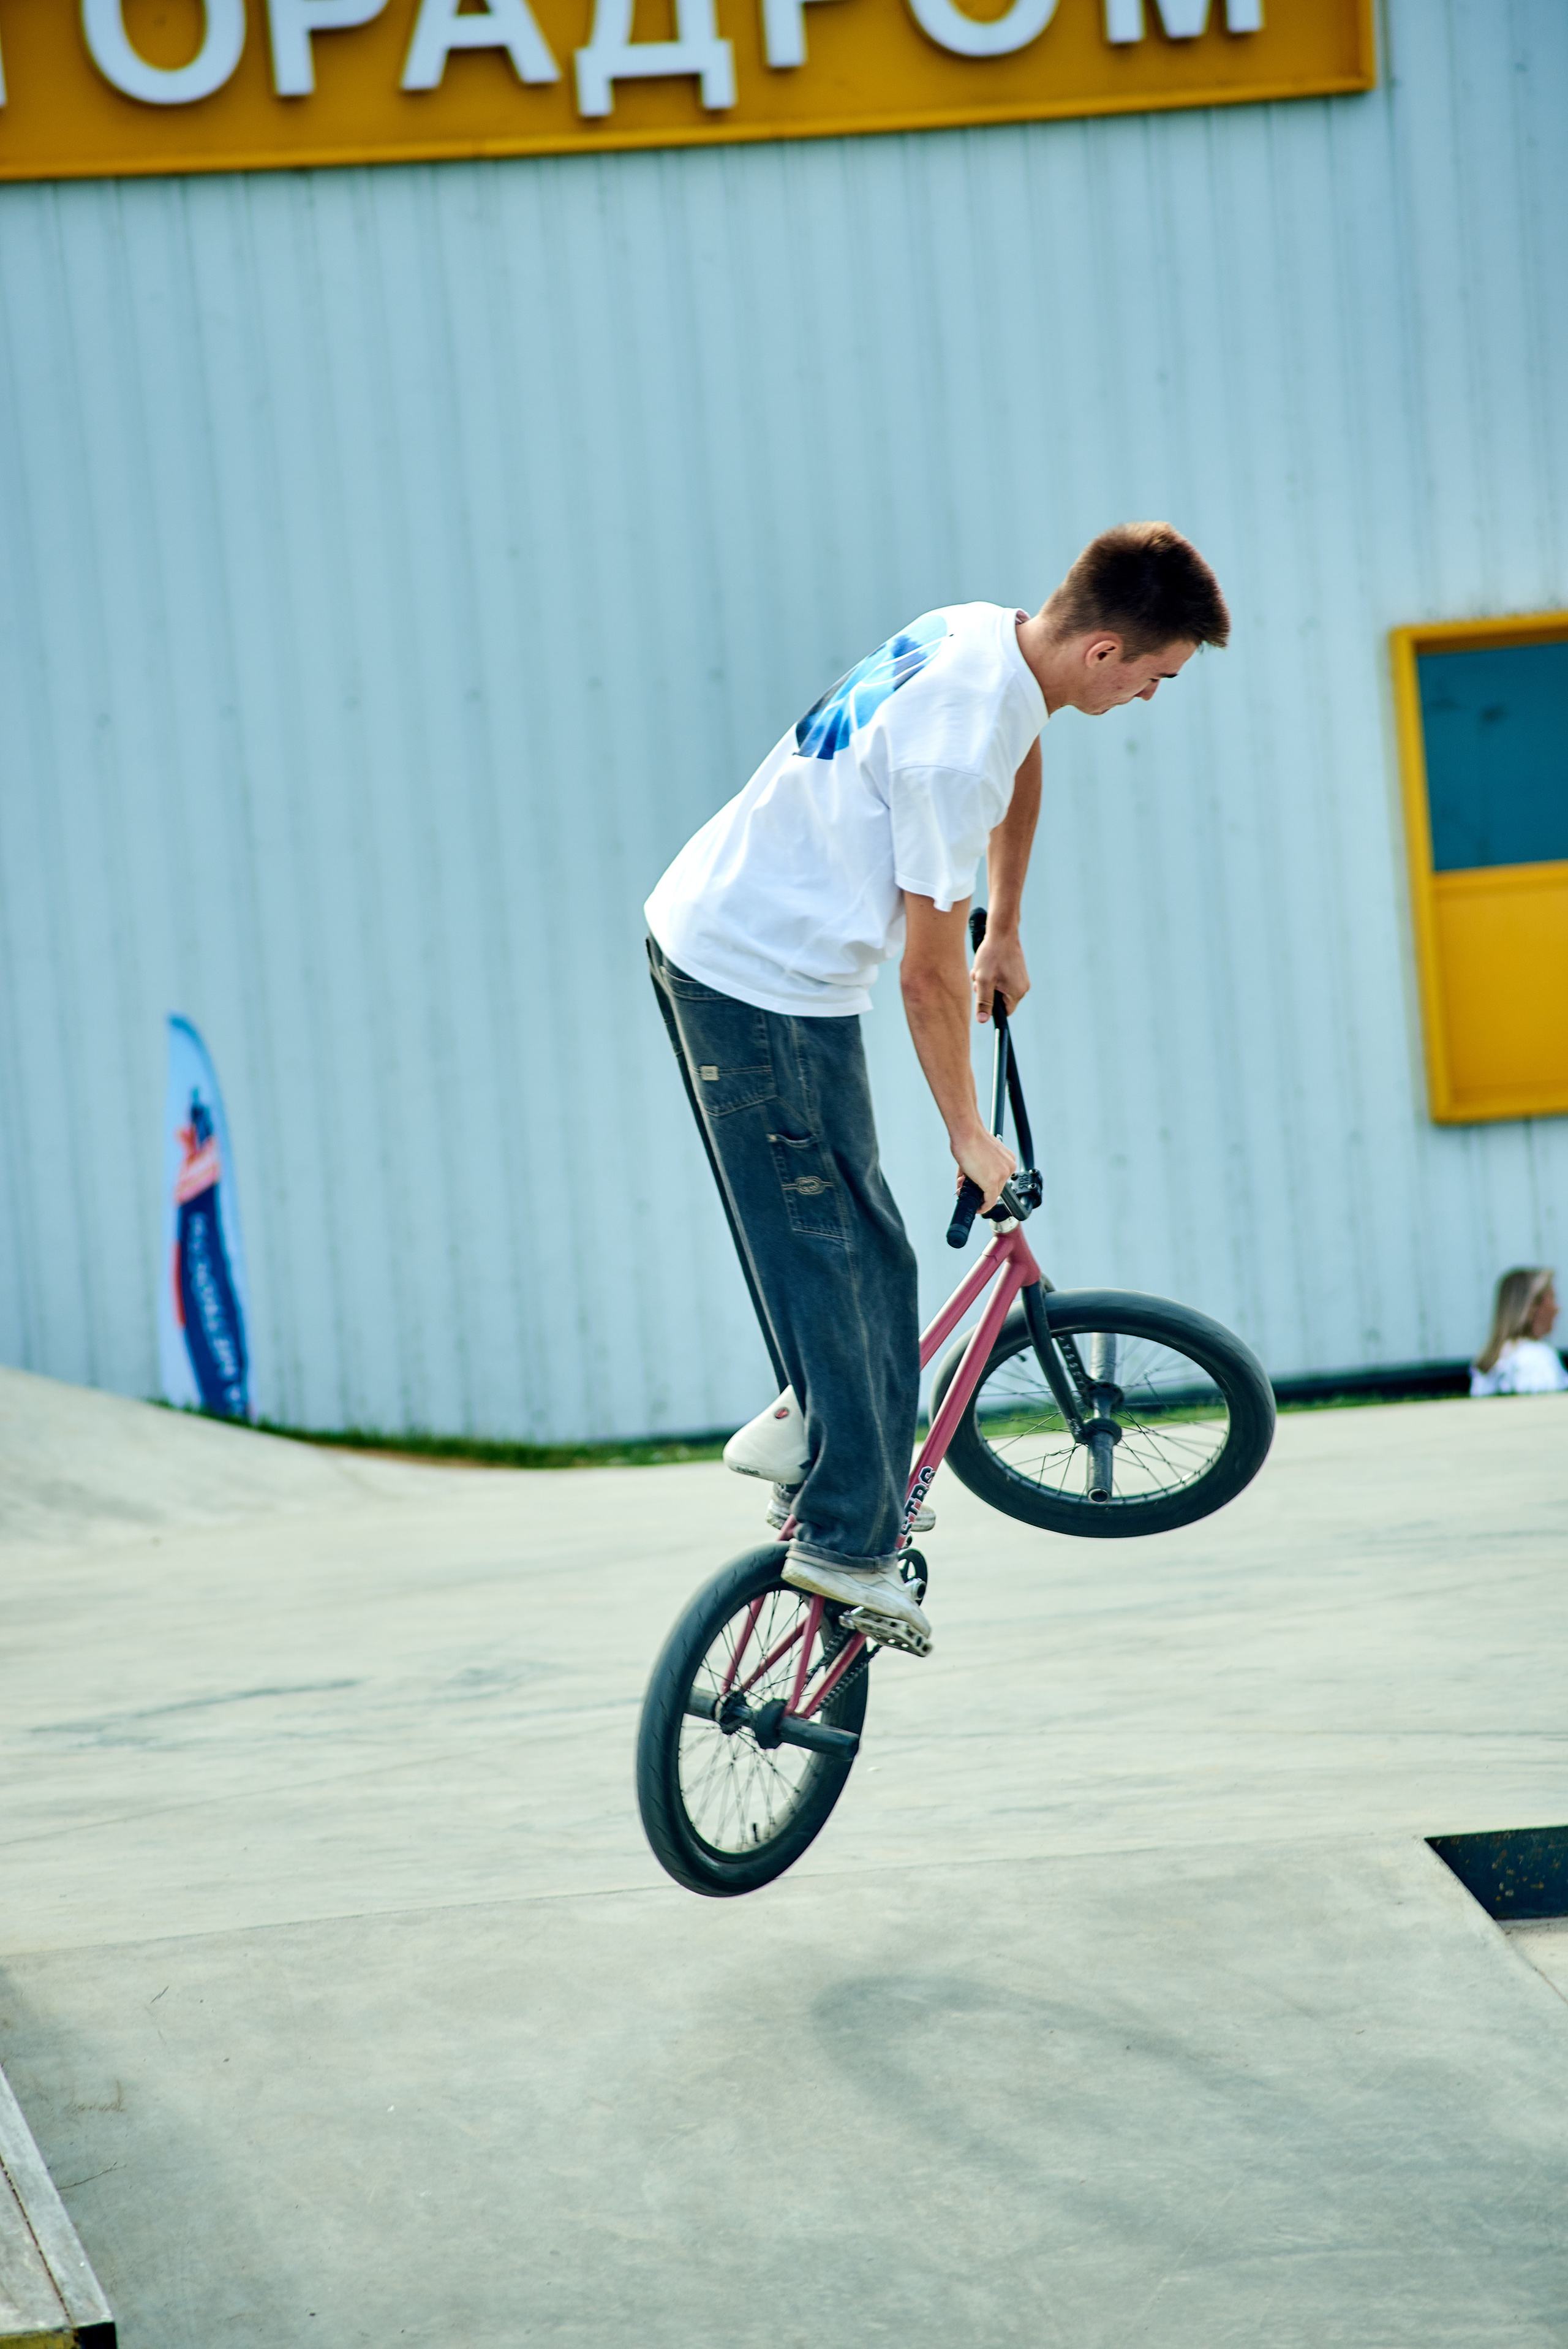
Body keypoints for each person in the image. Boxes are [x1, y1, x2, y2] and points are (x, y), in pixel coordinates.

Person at [646, 523, 1230, 1657]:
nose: (1155, 697)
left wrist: (1002, 924)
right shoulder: (962, 744)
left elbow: (1023, 749)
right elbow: (924, 971)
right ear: (1106, 650)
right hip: (751, 974)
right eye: (1158, 677)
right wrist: (970, 1132)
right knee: (836, 1243)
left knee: (859, 1237)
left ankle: (808, 1414)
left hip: (756, 947)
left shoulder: (989, 641)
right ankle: (844, 1542)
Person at [1469, 1267, 1567, 1396]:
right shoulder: (1537, 1359)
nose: (1557, 1309)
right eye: (1552, 1298)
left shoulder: (1491, 1362)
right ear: (1532, 1307)